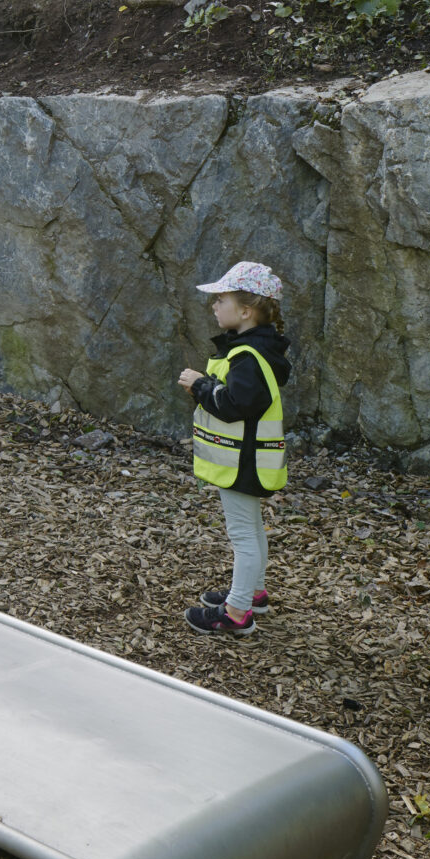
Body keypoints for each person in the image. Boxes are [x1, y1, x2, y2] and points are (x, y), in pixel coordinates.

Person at [178, 261, 291, 638]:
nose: (213, 306)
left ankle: (237, 612)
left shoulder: (248, 357)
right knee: (252, 529)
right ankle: (253, 593)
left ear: (245, 311)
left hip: (243, 463)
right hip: (251, 461)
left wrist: (200, 386)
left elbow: (235, 404)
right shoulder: (257, 351)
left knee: (243, 534)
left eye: (220, 299)